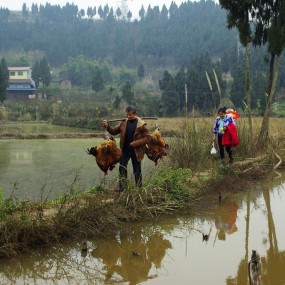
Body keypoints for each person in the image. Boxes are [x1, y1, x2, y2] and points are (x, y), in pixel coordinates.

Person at [102, 106, 150, 192]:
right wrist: (107, 126)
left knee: (137, 169)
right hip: (125, 150)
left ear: (134, 114)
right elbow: (114, 131)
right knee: (122, 167)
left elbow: (147, 138)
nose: (128, 116)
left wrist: (134, 143)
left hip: (136, 151)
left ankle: (139, 188)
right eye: (127, 114)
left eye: (130, 115)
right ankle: (122, 188)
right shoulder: (123, 123)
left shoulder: (141, 124)